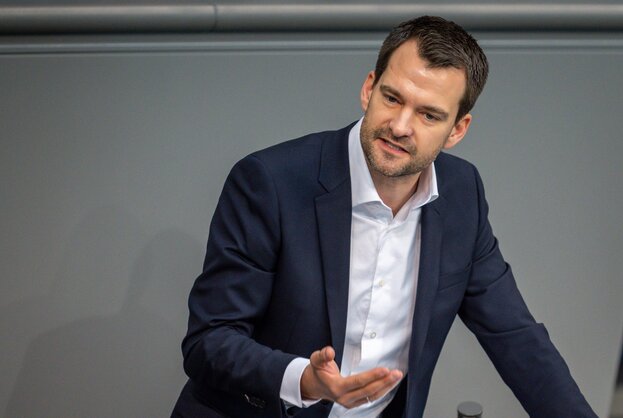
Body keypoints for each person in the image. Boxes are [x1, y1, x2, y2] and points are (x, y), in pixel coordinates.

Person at [172, 15, 597, 418]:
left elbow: (517, 340)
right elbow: (210, 341)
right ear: (369, 88)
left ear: (458, 130)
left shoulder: (462, 194)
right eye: (392, 98)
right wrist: (305, 379)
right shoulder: (271, 181)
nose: (399, 126)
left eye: (428, 115)